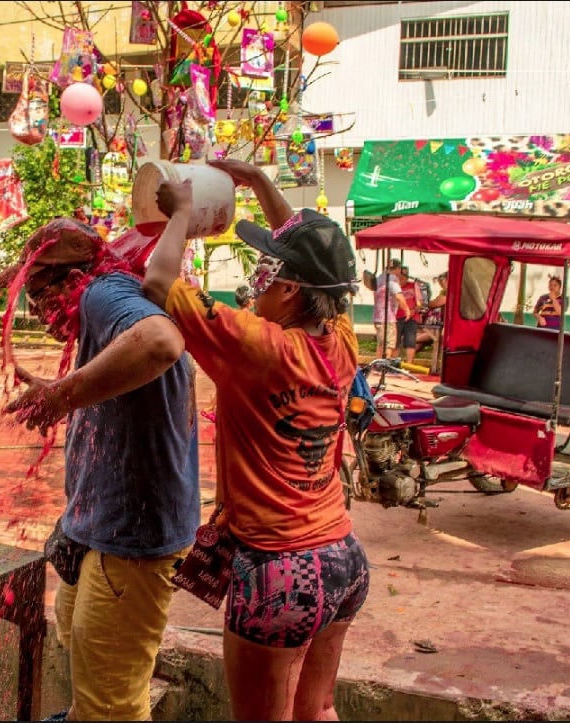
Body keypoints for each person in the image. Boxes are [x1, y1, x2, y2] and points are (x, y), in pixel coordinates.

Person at [144, 159, 370, 722]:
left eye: (269, 269)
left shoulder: (256, 345)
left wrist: (183, 213)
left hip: (280, 572)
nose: (258, 278)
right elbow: (312, 255)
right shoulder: (342, 339)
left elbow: (158, 282)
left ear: (290, 289)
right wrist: (262, 185)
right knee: (317, 711)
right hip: (343, 557)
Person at [0, 218, 200, 721]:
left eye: (35, 293)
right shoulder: (101, 305)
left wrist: (62, 395)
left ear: (67, 279)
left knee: (112, 707)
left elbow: (161, 344)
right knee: (92, 675)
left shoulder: (101, 296)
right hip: (103, 534)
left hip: (131, 538)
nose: (36, 312)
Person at [373, 258, 410, 358]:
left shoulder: (379, 278)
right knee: (389, 343)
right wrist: (406, 309)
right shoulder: (393, 280)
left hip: (377, 315)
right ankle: (384, 364)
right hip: (388, 317)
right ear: (398, 269)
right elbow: (399, 296)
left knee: (381, 343)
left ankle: (378, 364)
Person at [395, 265, 423, 364]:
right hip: (396, 317)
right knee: (395, 342)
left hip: (412, 317)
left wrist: (414, 310)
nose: (402, 279)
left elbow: (420, 302)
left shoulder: (413, 286)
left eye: (404, 276)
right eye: (400, 276)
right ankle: (393, 363)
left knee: (410, 341)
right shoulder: (394, 287)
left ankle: (409, 364)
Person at [415, 272, 447, 355]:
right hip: (436, 322)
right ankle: (407, 360)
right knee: (423, 337)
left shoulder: (449, 293)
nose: (441, 284)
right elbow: (434, 303)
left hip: (442, 325)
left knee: (432, 334)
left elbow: (436, 303)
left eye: (442, 282)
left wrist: (426, 304)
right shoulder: (443, 292)